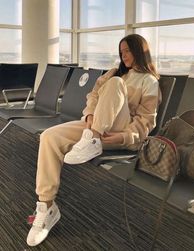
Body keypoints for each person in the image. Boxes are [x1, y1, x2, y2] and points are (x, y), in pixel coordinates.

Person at [26, 33, 161, 246]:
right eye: (121, 51)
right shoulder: (115, 73)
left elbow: (146, 122)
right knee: (49, 137)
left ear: (139, 51)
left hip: (120, 132)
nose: (124, 55)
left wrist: (124, 137)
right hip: (95, 126)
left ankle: (92, 139)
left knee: (115, 84)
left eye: (128, 50)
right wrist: (89, 115)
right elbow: (94, 95)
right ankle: (47, 206)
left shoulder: (149, 81)